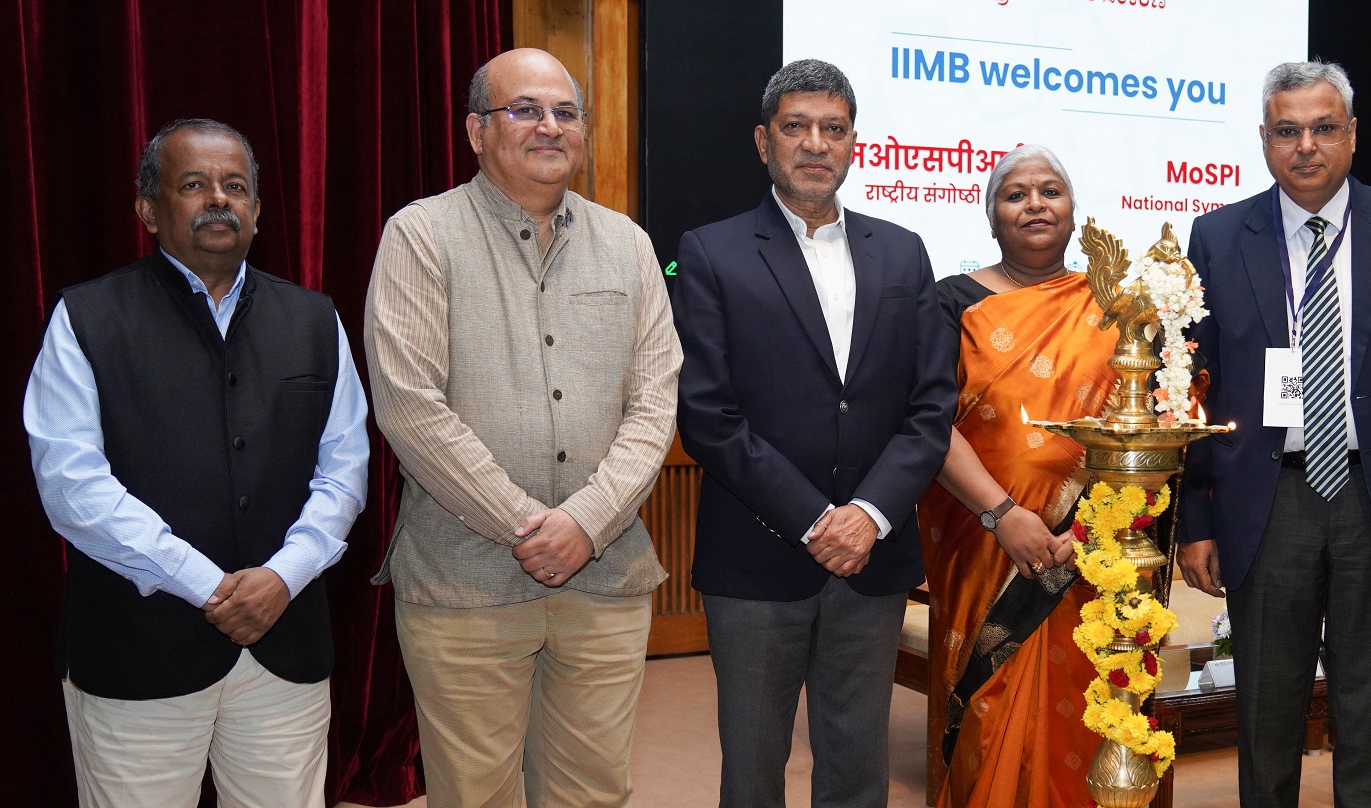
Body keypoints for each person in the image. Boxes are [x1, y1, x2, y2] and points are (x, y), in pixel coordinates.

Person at [364, 47, 681, 807]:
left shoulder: (628, 244)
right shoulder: (420, 235)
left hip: (605, 576)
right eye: (525, 110)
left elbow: (655, 402)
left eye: (565, 112)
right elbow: (410, 405)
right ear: (477, 131)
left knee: (594, 792)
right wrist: (528, 525)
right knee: (475, 794)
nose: (549, 126)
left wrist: (586, 524)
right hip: (464, 578)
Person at [23, 118, 370, 808]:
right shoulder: (86, 317)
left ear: (258, 210)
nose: (219, 198)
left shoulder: (314, 318)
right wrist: (208, 585)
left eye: (234, 185)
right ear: (148, 208)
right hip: (136, 654)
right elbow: (73, 486)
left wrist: (282, 575)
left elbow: (345, 471)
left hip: (284, 645)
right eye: (193, 184)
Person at [1176, 60, 1371, 807]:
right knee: (1265, 715)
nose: (1305, 145)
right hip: (1265, 498)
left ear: (1351, 135)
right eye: (1287, 130)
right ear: (1264, 140)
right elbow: (1196, 395)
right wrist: (1198, 518)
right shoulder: (1215, 236)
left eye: (1322, 128)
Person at [672, 58, 956, 808]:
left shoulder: (903, 251)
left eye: (832, 128)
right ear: (764, 141)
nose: (814, 143)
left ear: (854, 142)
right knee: (755, 770)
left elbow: (931, 407)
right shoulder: (711, 252)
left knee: (859, 768)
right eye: (795, 127)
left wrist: (866, 515)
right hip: (757, 556)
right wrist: (814, 519)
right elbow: (707, 414)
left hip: (876, 554)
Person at [917, 144, 1116, 807]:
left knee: (1085, 711)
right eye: (1016, 194)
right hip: (982, 540)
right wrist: (1004, 516)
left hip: (1092, 545)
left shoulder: (1114, 306)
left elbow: (1142, 424)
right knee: (984, 704)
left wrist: (1084, 523)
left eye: (1050, 190)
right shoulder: (954, 301)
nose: (1035, 203)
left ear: (1073, 211)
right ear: (991, 216)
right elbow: (929, 423)